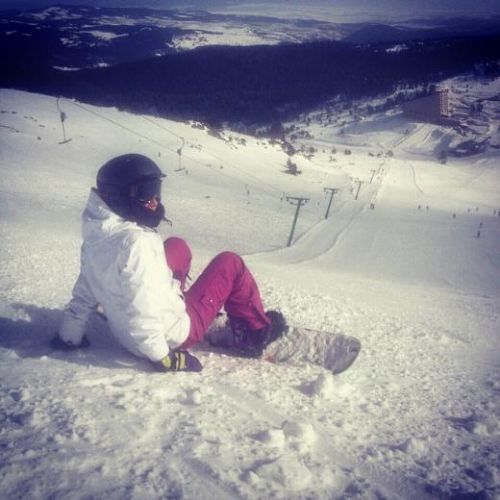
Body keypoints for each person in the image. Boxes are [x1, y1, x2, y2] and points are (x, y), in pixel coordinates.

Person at [52, 153, 287, 372]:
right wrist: (164, 357)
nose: (154, 201)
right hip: (172, 333)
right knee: (230, 263)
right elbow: (142, 312)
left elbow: (86, 287)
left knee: (177, 247)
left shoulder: (99, 234)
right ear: (121, 196)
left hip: (133, 326)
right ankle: (253, 335)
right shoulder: (136, 244)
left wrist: (69, 335)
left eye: (156, 192)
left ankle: (176, 301)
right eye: (146, 193)